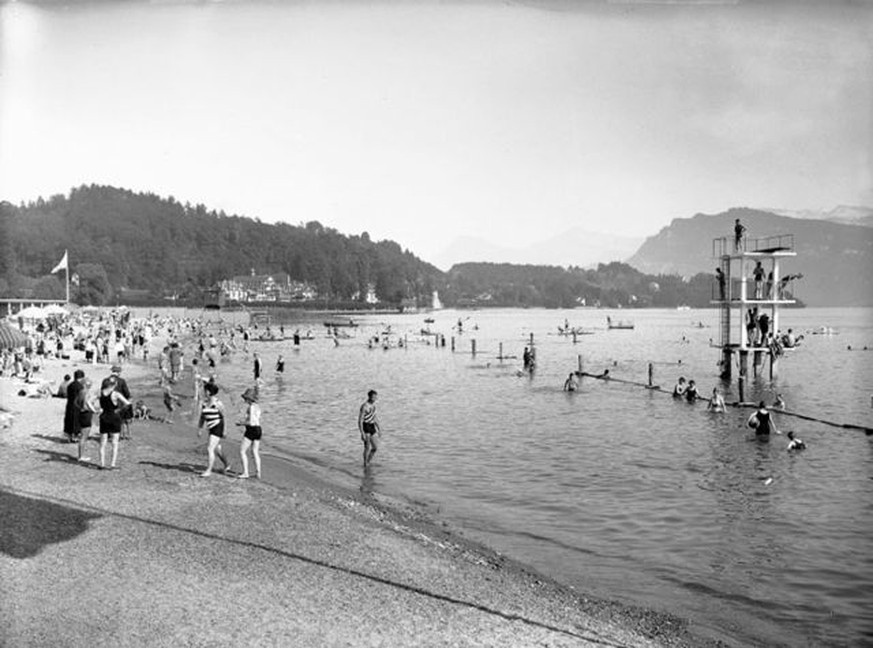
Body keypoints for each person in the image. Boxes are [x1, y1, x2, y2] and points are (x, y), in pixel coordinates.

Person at [198, 382, 232, 477]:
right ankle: (227, 464)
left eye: (205, 390)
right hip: (210, 427)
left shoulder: (218, 403)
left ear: (208, 392)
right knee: (217, 449)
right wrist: (200, 428)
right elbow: (202, 417)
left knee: (210, 448)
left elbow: (224, 416)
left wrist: (225, 430)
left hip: (218, 427)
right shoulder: (204, 403)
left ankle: (208, 470)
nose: (203, 392)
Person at [98, 376, 131, 470]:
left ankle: (102, 464)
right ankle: (112, 464)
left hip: (104, 416)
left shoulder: (100, 393)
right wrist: (119, 410)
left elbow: (89, 401)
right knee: (114, 442)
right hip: (114, 417)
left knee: (102, 442)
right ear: (115, 384)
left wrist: (95, 410)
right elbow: (127, 403)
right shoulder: (116, 394)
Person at [237, 387, 262, 479]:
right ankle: (258, 472)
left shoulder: (251, 407)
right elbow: (256, 420)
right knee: (255, 451)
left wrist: (241, 423)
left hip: (251, 429)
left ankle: (245, 472)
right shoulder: (258, 407)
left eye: (245, 398)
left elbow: (251, 422)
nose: (244, 400)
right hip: (259, 429)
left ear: (249, 398)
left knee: (242, 451)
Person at [75, 378, 97, 462]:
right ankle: (81, 456)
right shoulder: (87, 392)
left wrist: (80, 408)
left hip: (81, 414)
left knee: (82, 436)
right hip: (86, 414)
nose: (90, 385)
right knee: (84, 437)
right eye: (90, 384)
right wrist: (94, 410)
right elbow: (88, 403)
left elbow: (75, 402)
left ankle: (81, 455)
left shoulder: (80, 392)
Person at [358, 389, 380, 468]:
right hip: (366, 426)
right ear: (370, 397)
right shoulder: (364, 406)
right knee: (367, 447)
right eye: (374, 397)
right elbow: (360, 420)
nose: (375, 399)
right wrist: (362, 433)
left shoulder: (374, 406)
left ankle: (368, 461)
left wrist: (379, 429)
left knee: (375, 447)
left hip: (372, 426)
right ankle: (365, 463)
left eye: (376, 397)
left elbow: (375, 417)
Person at [64, 369, 86, 442]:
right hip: (77, 405)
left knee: (69, 420)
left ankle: (69, 436)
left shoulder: (70, 385)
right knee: (76, 421)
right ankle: (75, 436)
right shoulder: (80, 386)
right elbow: (82, 397)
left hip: (69, 404)